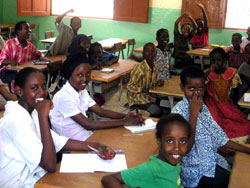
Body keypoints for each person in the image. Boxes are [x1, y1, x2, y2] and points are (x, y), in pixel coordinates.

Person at [0, 67, 115, 188]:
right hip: (18, 182)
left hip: (35, 176)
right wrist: (43, 117)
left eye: (44, 87)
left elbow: (57, 140)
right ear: (19, 91)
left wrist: (96, 146)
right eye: (34, 88)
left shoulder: (32, 112)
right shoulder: (14, 120)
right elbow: (49, 165)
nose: (41, 92)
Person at [172, 65, 250, 188]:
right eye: (191, 88)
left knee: (240, 171)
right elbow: (185, 148)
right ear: (182, 87)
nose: (196, 93)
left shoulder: (203, 107)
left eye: (200, 88)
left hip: (211, 161)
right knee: (235, 181)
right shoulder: (178, 113)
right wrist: (194, 114)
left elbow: (219, 137)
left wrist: (247, 149)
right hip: (195, 171)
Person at [50, 60, 143, 141]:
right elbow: (88, 124)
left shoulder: (81, 91)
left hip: (86, 136)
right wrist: (124, 121)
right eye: (79, 75)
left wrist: (125, 116)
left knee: (123, 138)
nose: (85, 79)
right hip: (72, 143)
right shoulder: (63, 96)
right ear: (69, 75)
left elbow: (101, 111)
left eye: (88, 74)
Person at [101, 113, 191, 188]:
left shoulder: (173, 162)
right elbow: (109, 179)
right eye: (170, 141)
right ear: (159, 141)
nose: (177, 148)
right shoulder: (152, 169)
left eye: (183, 141)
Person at [205, 47, 250, 143]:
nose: (215, 63)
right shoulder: (208, 73)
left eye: (218, 60)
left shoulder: (231, 72)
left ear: (224, 61)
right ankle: (217, 139)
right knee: (215, 120)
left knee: (238, 119)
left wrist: (236, 105)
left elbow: (236, 90)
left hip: (226, 102)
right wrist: (209, 70)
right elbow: (200, 82)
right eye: (213, 60)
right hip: (212, 103)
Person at [0, 21, 43, 90]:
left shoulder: (30, 45)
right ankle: (15, 97)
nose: (29, 30)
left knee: (37, 77)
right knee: (18, 80)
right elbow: (1, 61)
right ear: (19, 31)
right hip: (8, 71)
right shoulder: (10, 43)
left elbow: (39, 54)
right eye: (26, 28)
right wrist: (11, 61)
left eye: (29, 29)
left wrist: (41, 57)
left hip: (22, 71)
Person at [127, 42, 161, 118]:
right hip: (136, 98)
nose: (150, 53)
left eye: (152, 51)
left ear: (156, 53)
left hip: (147, 96)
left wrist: (157, 83)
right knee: (156, 110)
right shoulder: (139, 68)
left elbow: (151, 84)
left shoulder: (154, 67)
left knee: (164, 105)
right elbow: (130, 86)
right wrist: (143, 90)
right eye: (147, 51)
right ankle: (149, 123)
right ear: (143, 54)